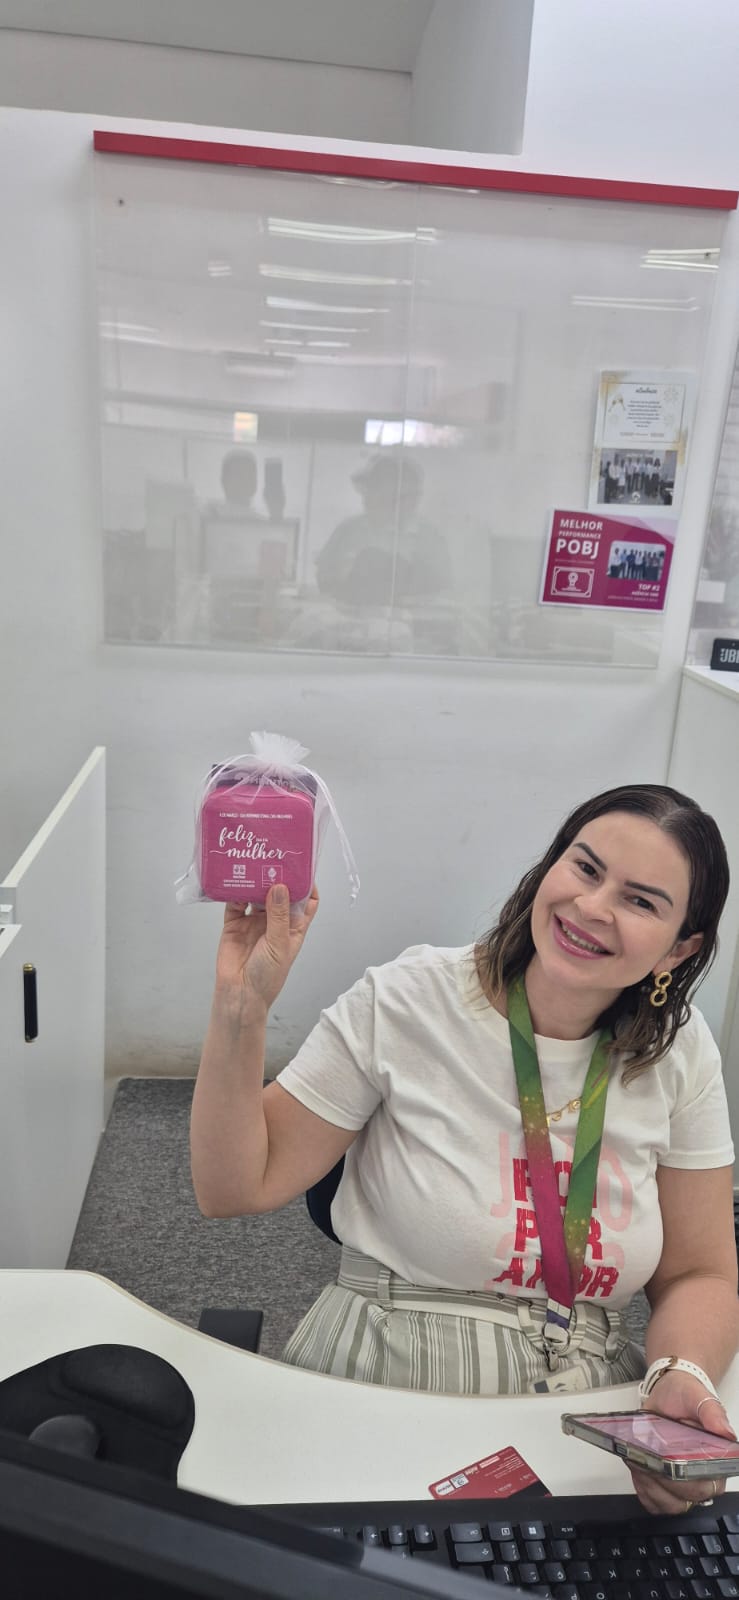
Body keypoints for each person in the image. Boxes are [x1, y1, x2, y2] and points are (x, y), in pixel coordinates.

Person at [191, 784, 738, 1517]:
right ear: (549, 867)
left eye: (640, 901)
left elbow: (701, 1272)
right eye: (584, 868)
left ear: (679, 948)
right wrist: (241, 1007)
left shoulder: (679, 1053)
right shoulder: (409, 1000)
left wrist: (680, 1371)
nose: (592, 907)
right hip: (384, 1377)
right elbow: (234, 1185)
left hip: (582, 1406)